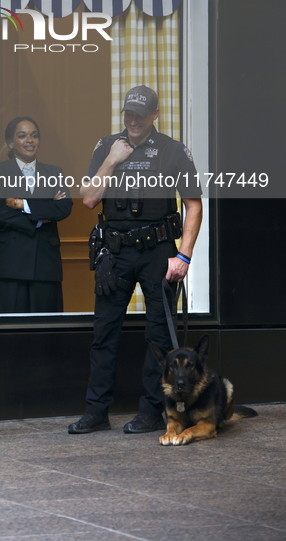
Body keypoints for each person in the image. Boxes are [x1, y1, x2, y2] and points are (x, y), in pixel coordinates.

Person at [69, 85, 202, 436]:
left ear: (154, 115)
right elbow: (88, 199)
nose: (133, 121)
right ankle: (96, 411)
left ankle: (151, 410)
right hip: (115, 253)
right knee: (104, 333)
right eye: (128, 114)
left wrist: (184, 256)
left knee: (158, 336)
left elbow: (193, 204)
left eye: (140, 116)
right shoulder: (107, 146)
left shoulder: (173, 151)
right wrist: (112, 159)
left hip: (158, 252)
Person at [0, 116, 73, 313]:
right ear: (11, 143)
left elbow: (64, 207)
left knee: (47, 331)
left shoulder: (54, 172)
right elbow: (0, 212)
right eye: (22, 136)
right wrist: (43, 213)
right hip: (10, 263)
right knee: (10, 333)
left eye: (34, 136)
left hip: (46, 264)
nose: (30, 140)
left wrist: (23, 204)